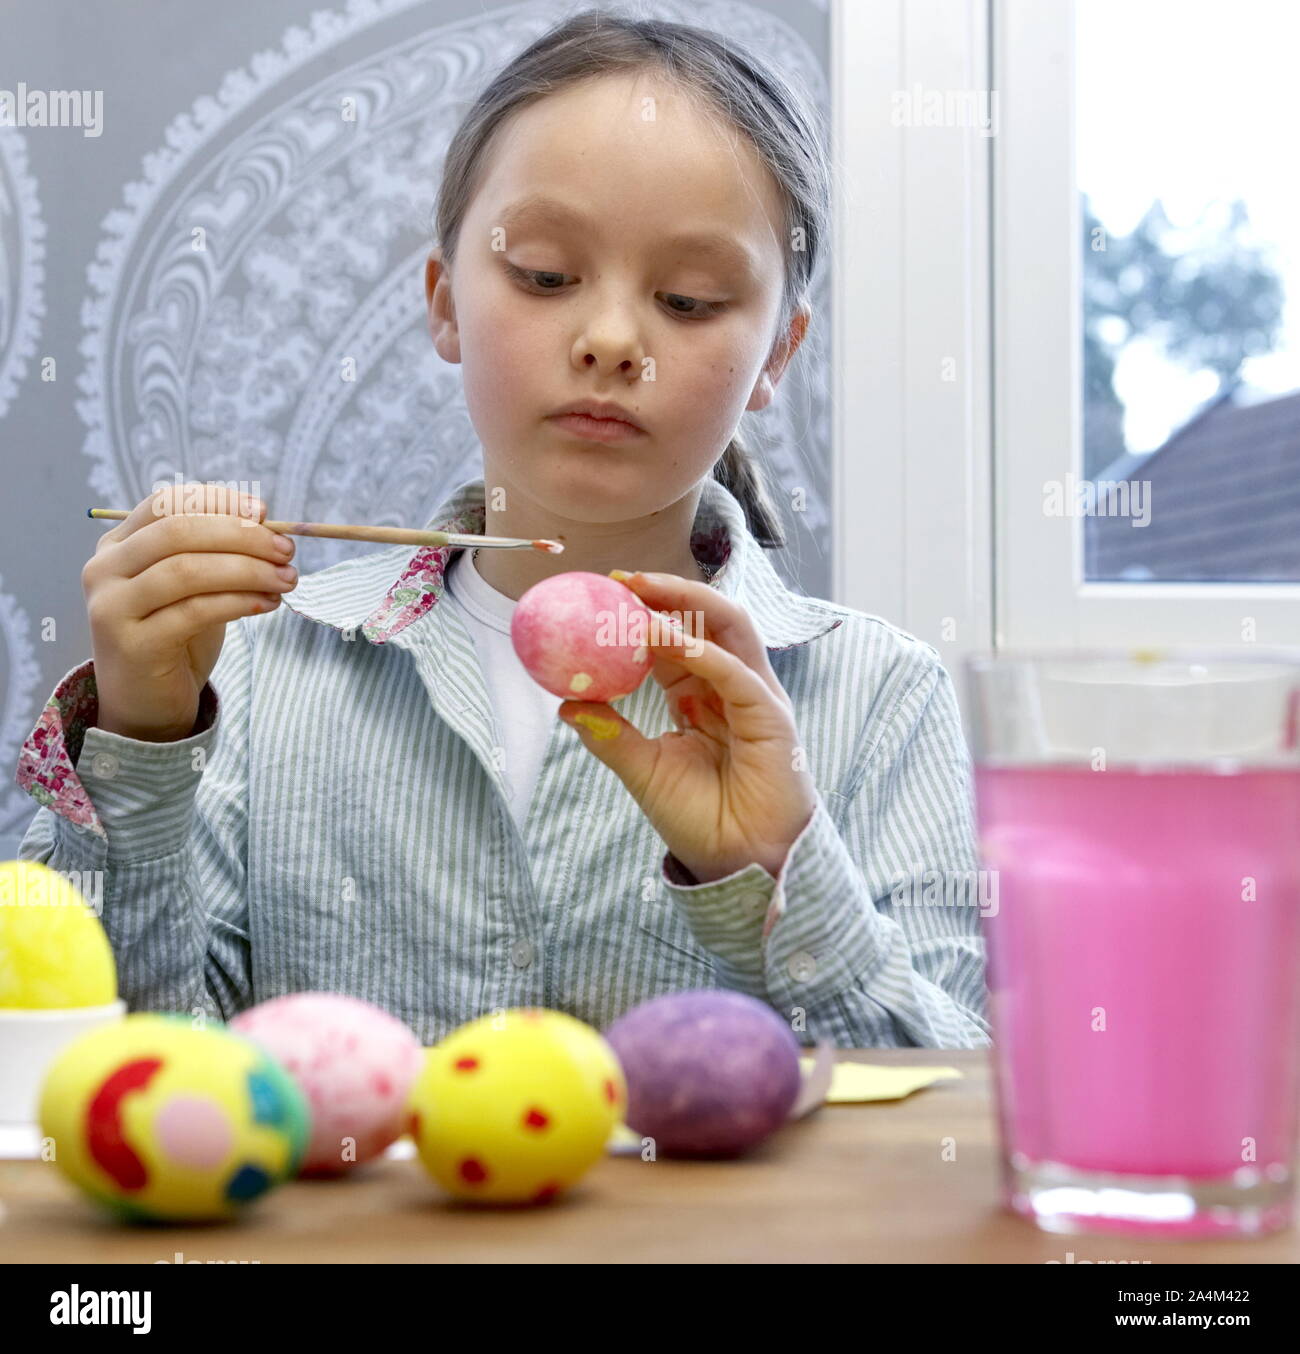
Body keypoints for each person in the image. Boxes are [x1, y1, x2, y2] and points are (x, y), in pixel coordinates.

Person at [15, 10, 989, 1048]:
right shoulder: (253, 669)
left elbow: (943, 1131)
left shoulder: (879, 696)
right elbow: (106, 1080)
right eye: (543, 276)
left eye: (689, 299)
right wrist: (145, 736)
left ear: (776, 356)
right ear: (445, 303)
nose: (612, 339)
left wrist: (778, 870)